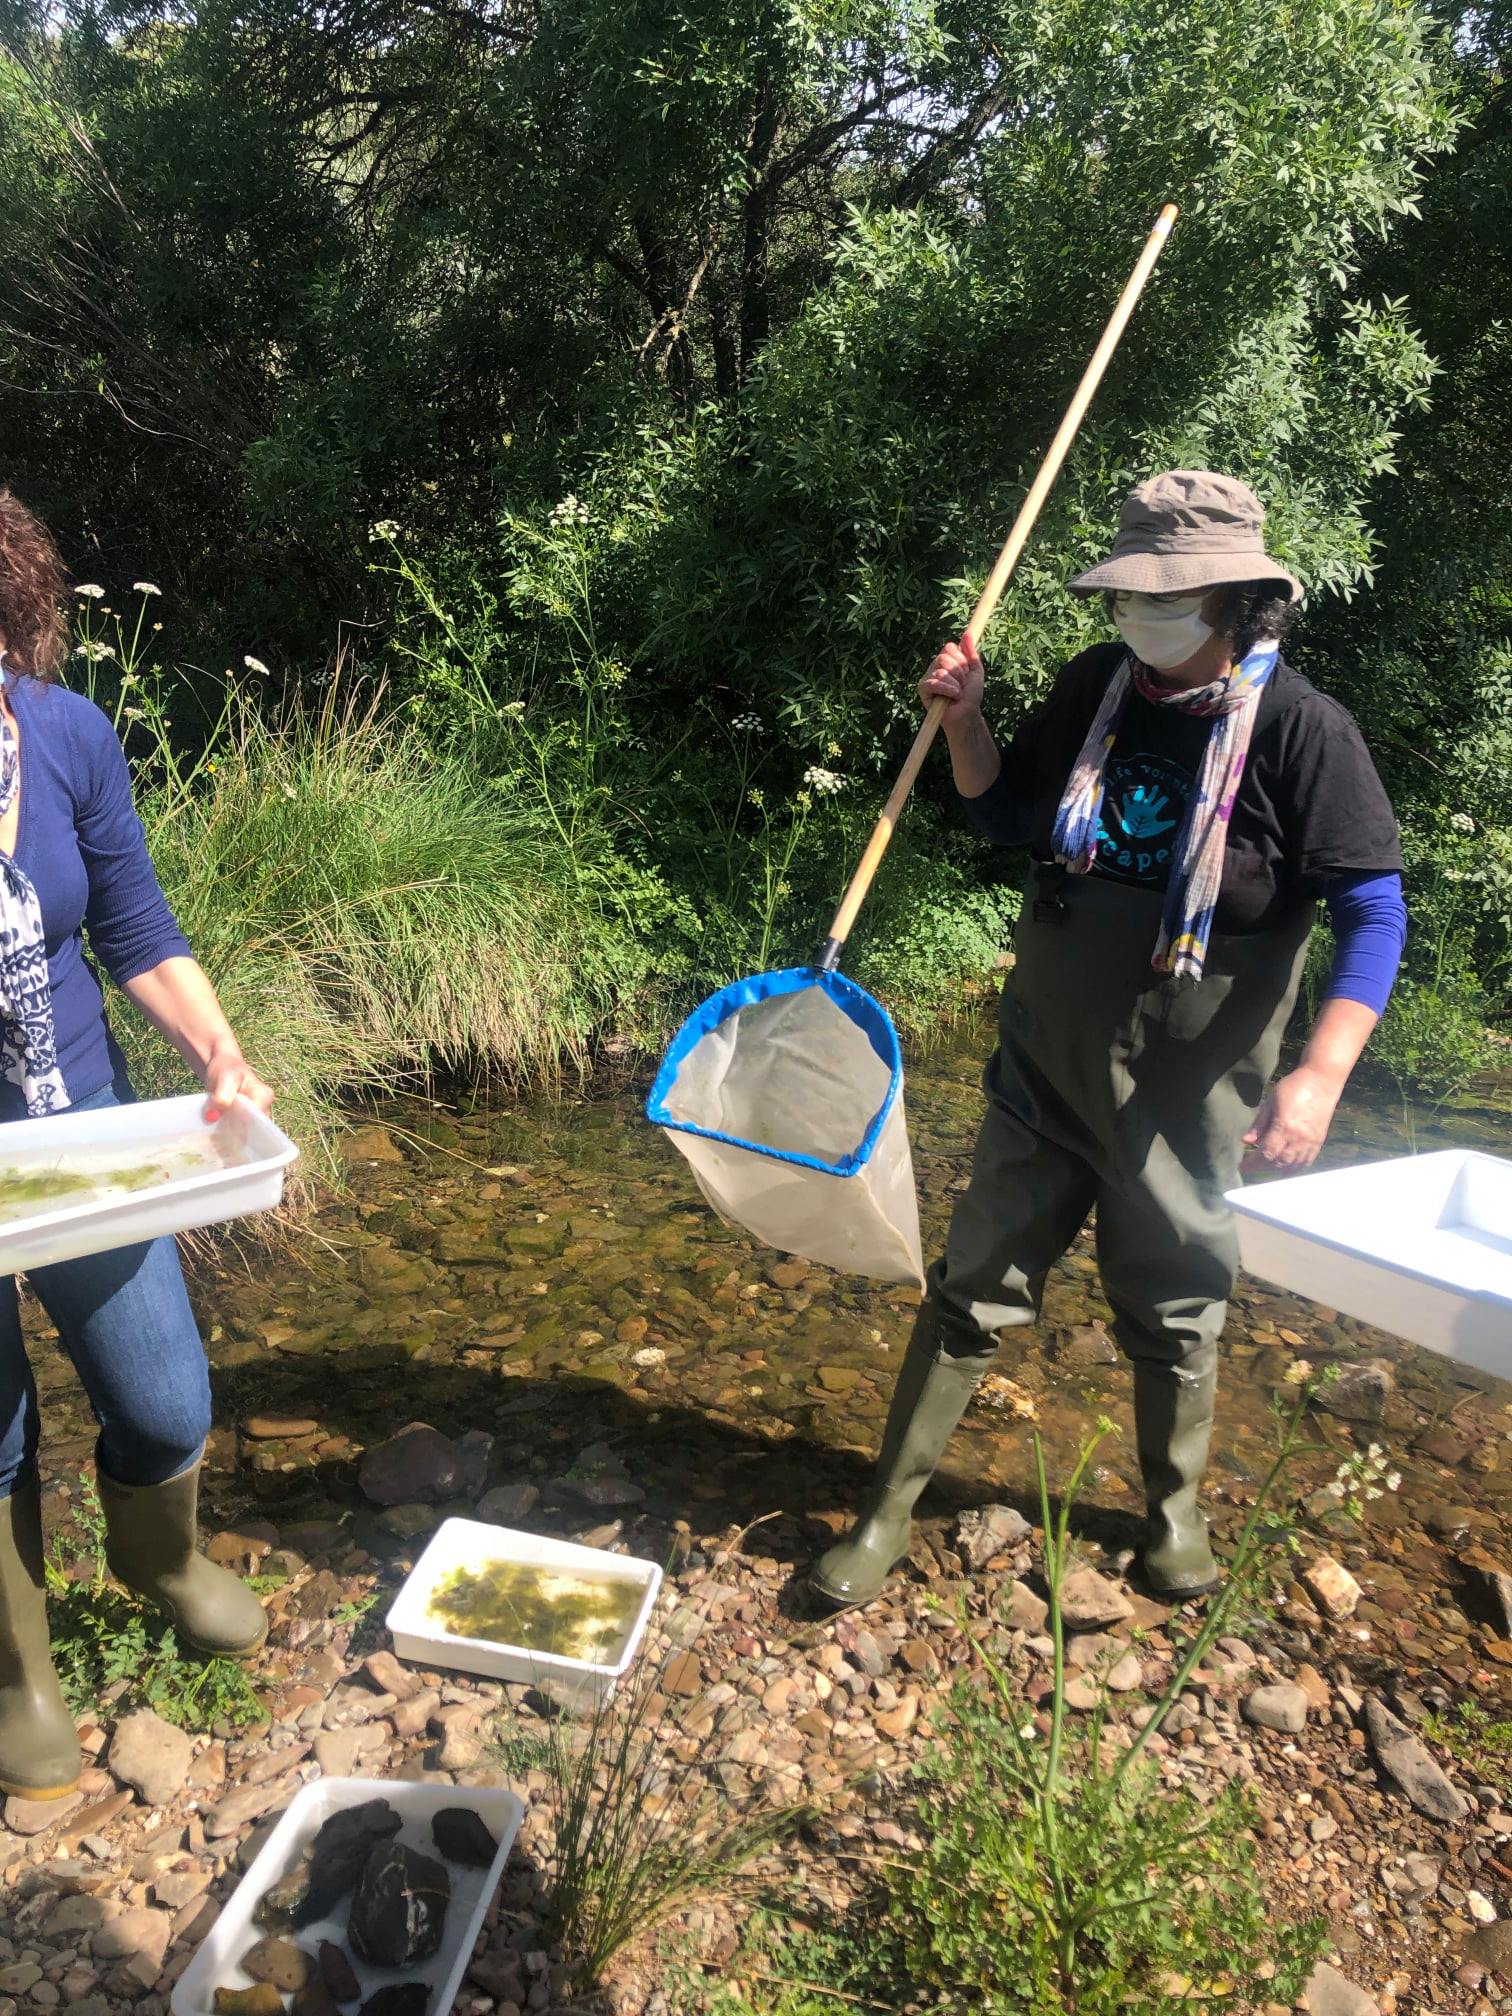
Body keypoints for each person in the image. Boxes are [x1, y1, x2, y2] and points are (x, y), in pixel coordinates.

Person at [812, 470, 1407, 1611]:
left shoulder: (1302, 729)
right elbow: (1004, 815)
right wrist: (965, 719)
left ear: (1235, 602)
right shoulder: (1099, 685)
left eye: (1166, 597)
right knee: (975, 1283)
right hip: (1047, 1056)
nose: (1140, 614)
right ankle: (885, 1510)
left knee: (1177, 1301)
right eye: (1132, 594)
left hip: (1191, 1086)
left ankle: (1172, 1517)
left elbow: (1374, 913)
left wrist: (1322, 1073)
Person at [0, 488, 275, 1801]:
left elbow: (135, 926)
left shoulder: (65, 736)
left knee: (165, 1401)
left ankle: (158, 1556)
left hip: (80, 1133)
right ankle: (19, 1675)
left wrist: (216, 1050)